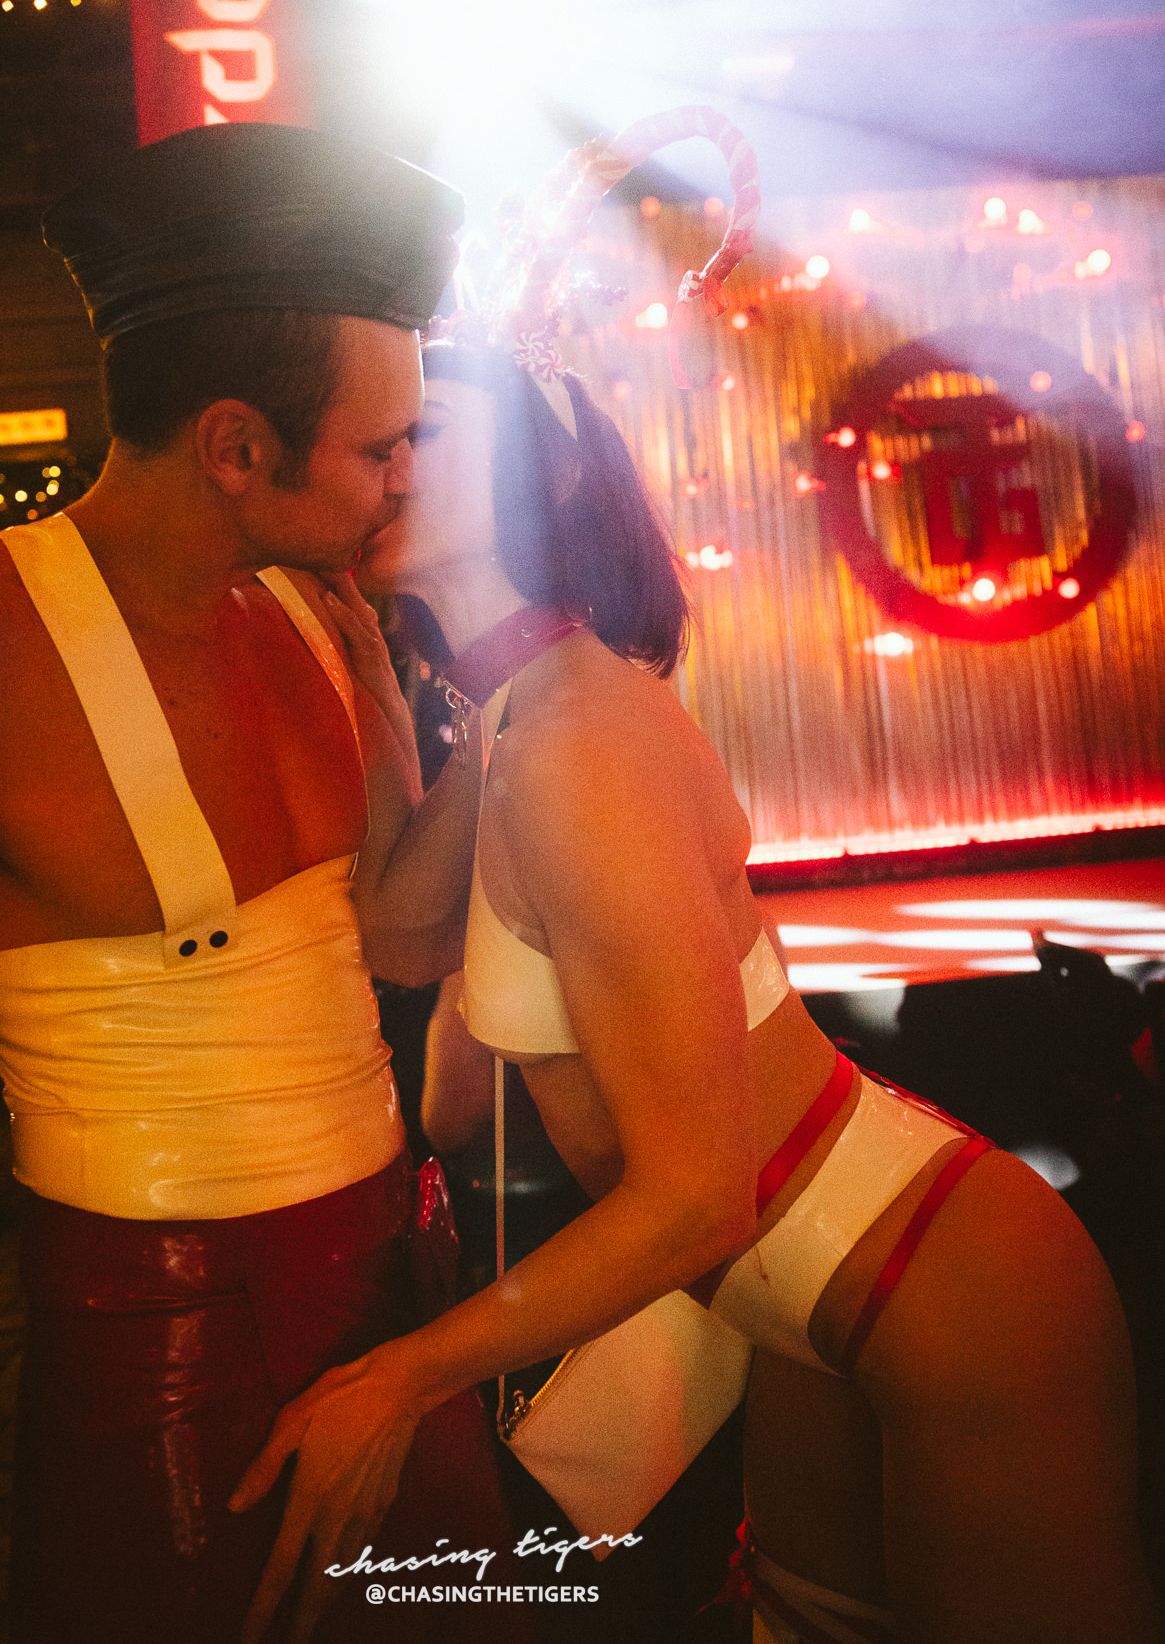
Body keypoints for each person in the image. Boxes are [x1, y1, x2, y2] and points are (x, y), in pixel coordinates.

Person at [232, 336, 1161, 1644]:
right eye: (374, 441)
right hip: (796, 1301)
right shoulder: (516, 712)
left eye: (421, 435)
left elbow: (695, 1196)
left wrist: (397, 1382)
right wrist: (373, 669)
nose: (381, 467)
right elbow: (395, 929)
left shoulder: (574, 743)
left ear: (546, 473)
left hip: (931, 1279)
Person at [0, 126, 528, 1644]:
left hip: (397, 1290)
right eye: (381, 449)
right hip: (155, 1335)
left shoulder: (322, 604)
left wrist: (524, 685)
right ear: (236, 448)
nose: (407, 480)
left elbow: (397, 937)